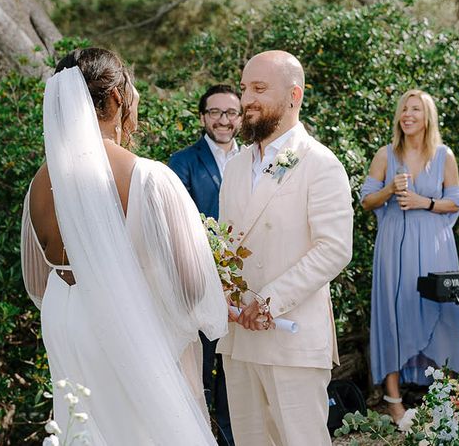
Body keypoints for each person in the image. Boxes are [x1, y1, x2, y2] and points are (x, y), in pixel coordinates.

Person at [20, 48, 227, 445]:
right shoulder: (148, 177)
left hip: (66, 324)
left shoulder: (40, 185)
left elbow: (37, 281)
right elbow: (192, 287)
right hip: (130, 323)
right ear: (116, 98)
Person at [217, 50, 353, 446]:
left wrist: (269, 300)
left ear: (294, 95)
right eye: (244, 89)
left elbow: (334, 249)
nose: (246, 100)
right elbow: (226, 245)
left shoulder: (321, 164)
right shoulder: (237, 166)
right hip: (239, 336)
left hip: (291, 338)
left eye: (259, 88)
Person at [361, 89, 459, 423]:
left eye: (415, 110)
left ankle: (449, 398)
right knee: (394, 316)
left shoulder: (444, 155)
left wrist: (425, 203)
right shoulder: (385, 154)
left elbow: (457, 200)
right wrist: (390, 190)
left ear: (427, 117)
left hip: (436, 245)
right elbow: (366, 201)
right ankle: (394, 402)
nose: (407, 115)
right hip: (395, 247)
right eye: (404, 109)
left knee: (444, 314)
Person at [169, 84, 242, 445]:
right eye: (215, 112)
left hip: (248, 284)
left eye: (231, 113)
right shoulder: (181, 163)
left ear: (241, 119)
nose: (223, 120)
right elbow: (176, 224)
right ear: (202, 117)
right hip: (200, 281)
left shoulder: (256, 161)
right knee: (202, 370)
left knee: (238, 371)